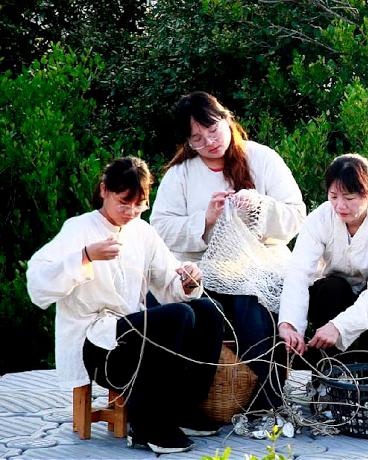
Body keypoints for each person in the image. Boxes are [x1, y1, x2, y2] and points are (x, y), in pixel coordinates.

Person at [27, 157, 224, 454]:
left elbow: (170, 280)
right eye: (124, 202)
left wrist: (187, 279)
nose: (131, 212)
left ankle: (184, 411)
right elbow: (37, 283)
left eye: (139, 205)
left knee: (207, 310)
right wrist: (85, 256)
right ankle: (145, 426)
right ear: (104, 190)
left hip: (129, 337)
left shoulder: (142, 231)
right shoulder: (78, 229)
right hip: (96, 346)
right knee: (179, 316)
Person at [150, 91, 306, 409]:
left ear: (226, 119)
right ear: (187, 142)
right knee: (190, 301)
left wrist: (260, 206)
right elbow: (160, 228)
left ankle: (265, 399)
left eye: (213, 129)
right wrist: (205, 220)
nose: (209, 142)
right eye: (197, 138)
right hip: (202, 266)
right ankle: (192, 400)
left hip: (260, 263)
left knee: (253, 303)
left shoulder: (262, 158)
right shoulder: (180, 174)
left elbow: (296, 215)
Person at [277, 154, 368, 365]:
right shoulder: (320, 219)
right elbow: (298, 273)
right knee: (329, 289)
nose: (340, 206)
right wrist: (290, 325)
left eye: (349, 198)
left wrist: (340, 326)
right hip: (340, 293)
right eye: (333, 196)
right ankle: (331, 371)